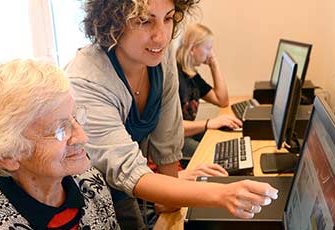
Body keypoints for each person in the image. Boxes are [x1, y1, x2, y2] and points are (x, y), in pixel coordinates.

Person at [65, 0, 279, 229]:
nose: (162, 36)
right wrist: (222, 193)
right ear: (113, 23)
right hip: (94, 198)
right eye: (144, 21)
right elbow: (125, 169)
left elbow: (167, 138)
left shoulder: (158, 56)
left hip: (134, 182)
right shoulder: (87, 80)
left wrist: (172, 194)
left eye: (168, 18)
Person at [0, 60, 119, 229]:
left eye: (75, 117)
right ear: (8, 155)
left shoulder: (90, 182)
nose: (82, 137)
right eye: (59, 129)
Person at [176, 23, 242, 158]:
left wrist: (214, 64)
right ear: (193, 48)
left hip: (186, 134)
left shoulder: (192, 76)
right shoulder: (175, 76)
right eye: (208, 48)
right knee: (219, 155)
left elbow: (222, 100)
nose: (210, 54)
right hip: (176, 139)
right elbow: (170, 127)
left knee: (227, 140)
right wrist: (209, 123)